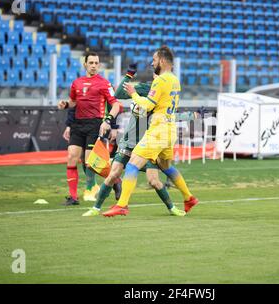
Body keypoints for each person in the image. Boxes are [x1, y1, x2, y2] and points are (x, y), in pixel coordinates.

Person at [82, 63, 200, 217]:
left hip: (149, 143)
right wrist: (129, 75)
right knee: (113, 174)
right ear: (155, 76)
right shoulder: (145, 88)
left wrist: (192, 116)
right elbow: (117, 93)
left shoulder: (163, 94)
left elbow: (171, 116)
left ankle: (172, 207)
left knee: (154, 180)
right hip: (130, 141)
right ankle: (96, 208)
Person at [57, 52, 123, 206]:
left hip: (95, 124)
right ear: (85, 64)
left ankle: (116, 180)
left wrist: (108, 121)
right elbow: (73, 102)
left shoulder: (105, 83)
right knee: (72, 156)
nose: (94, 65)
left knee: (90, 163)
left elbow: (116, 105)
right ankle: (73, 197)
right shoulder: (76, 83)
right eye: (91, 62)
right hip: (78, 125)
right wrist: (65, 105)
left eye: (96, 63)